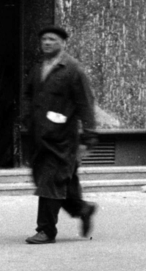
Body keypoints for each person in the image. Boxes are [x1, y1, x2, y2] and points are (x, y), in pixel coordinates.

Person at [19, 25, 100, 243]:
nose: (47, 43)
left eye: (52, 39)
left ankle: (46, 230)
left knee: (50, 181)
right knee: (53, 181)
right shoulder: (38, 68)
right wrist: (25, 120)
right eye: (44, 39)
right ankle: (83, 209)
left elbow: (86, 103)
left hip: (62, 139)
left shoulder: (73, 70)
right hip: (38, 136)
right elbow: (27, 95)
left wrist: (88, 137)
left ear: (63, 43)